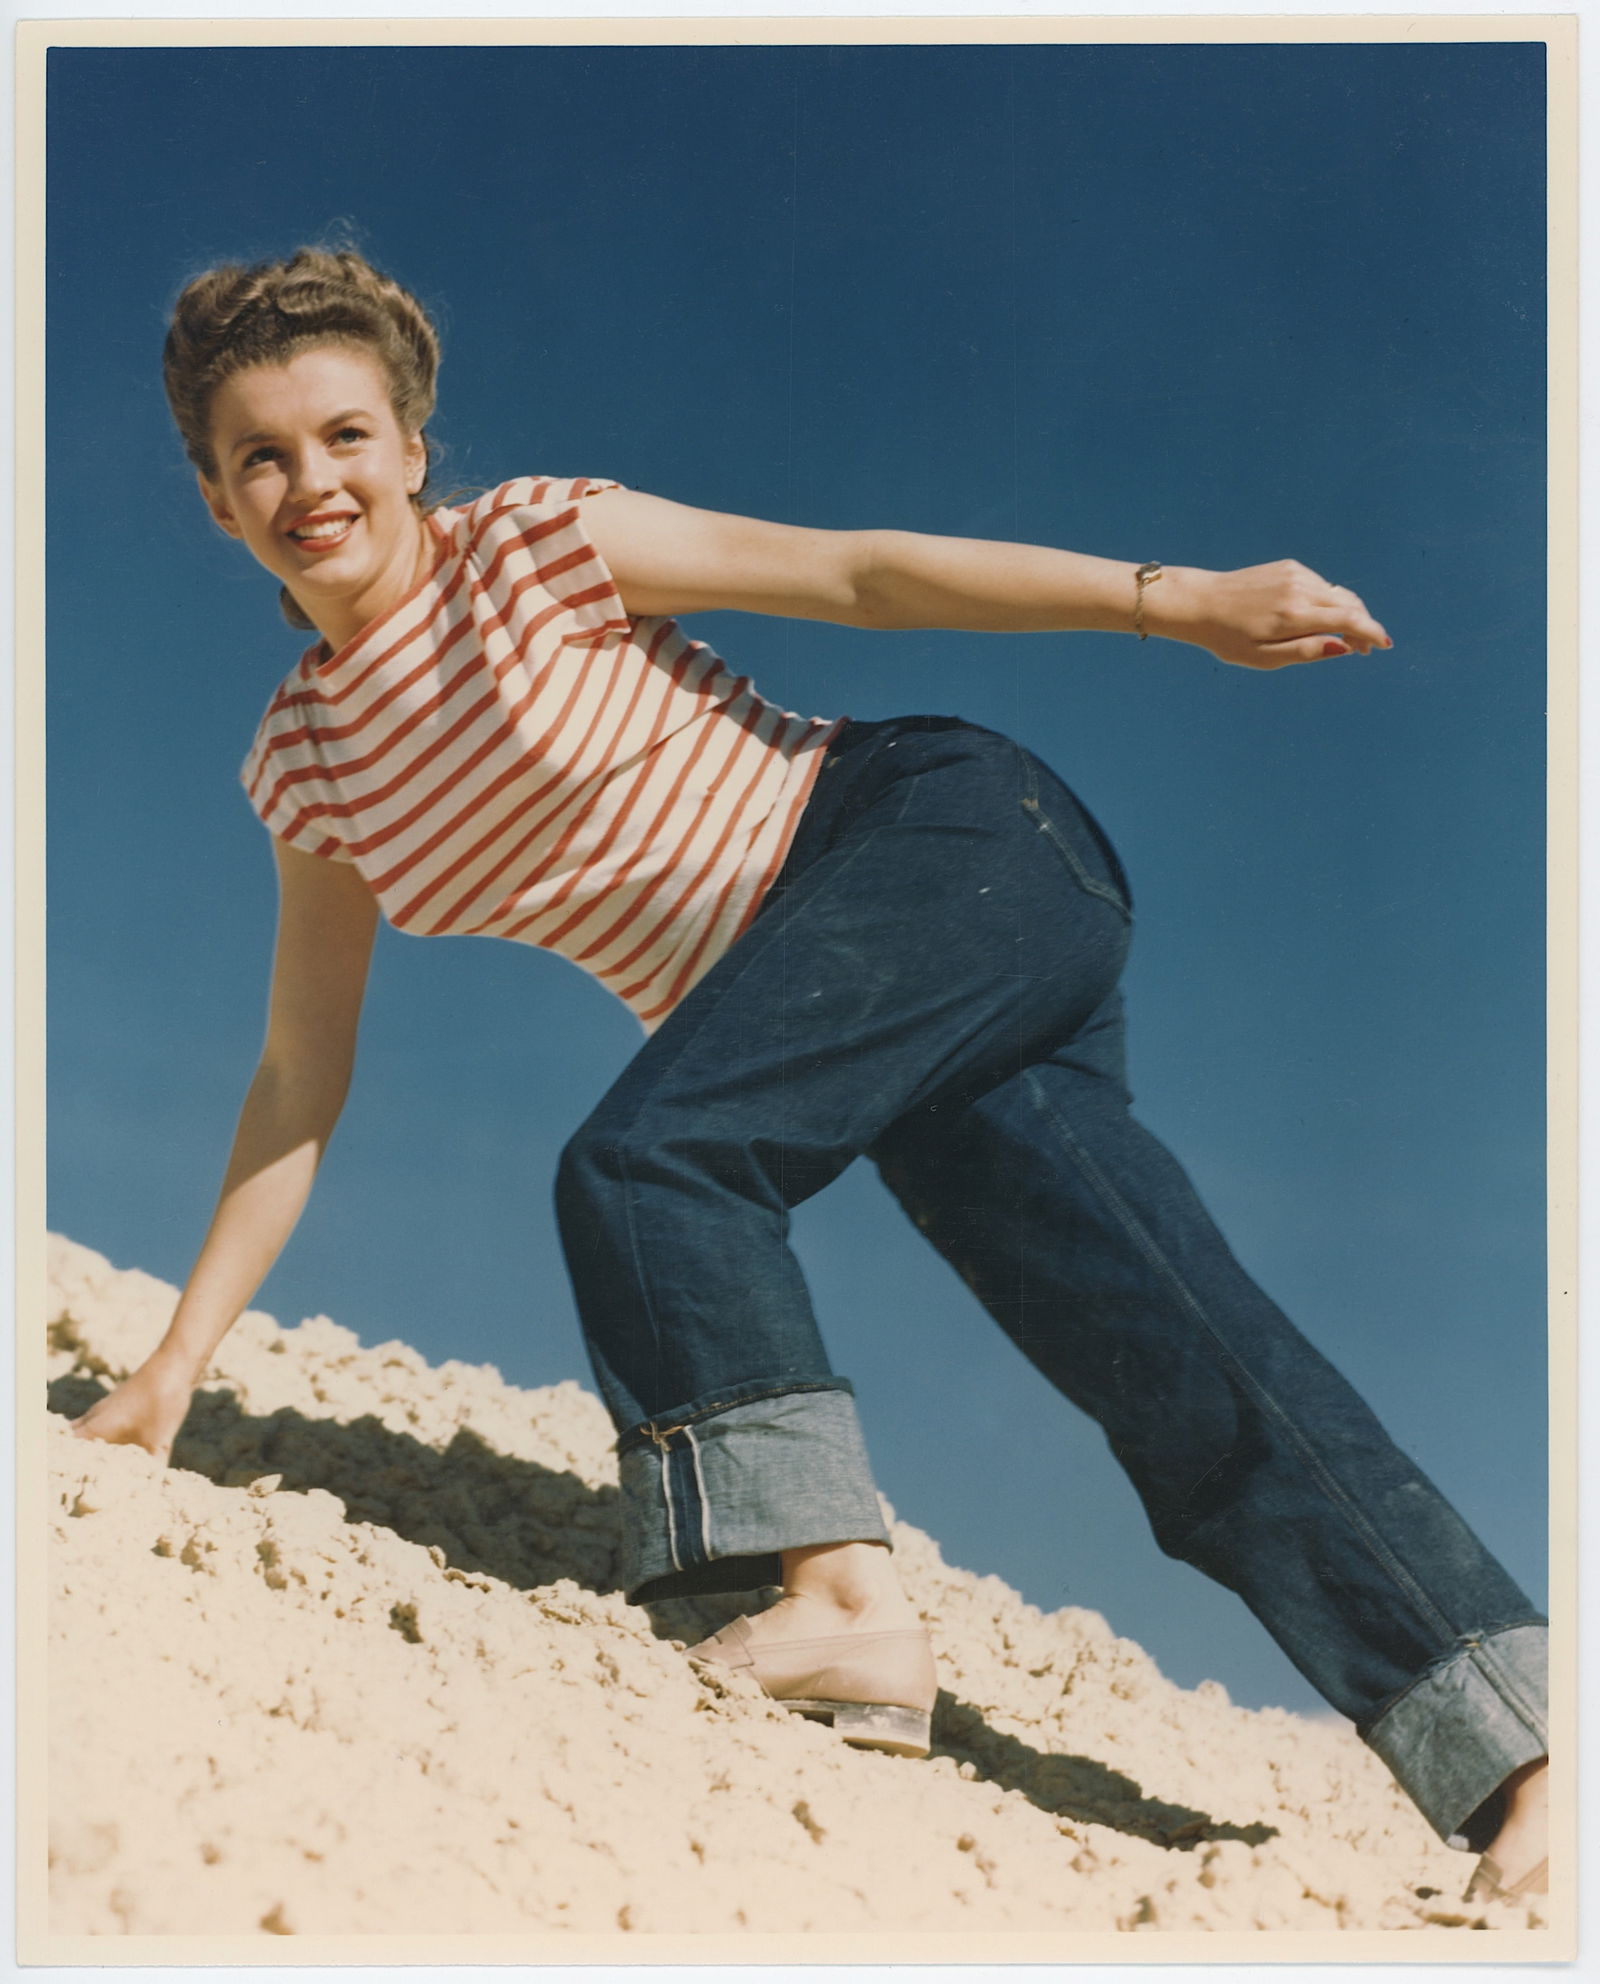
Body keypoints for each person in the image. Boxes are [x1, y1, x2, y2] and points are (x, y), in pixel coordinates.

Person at [71, 247, 1547, 1902]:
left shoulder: (540, 543)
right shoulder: (311, 763)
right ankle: (1532, 1765)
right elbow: (296, 1073)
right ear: (214, 499)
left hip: (938, 846)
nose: (309, 482)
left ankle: (836, 1596)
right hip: (863, 1022)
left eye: (344, 436)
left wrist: (1173, 597)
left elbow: (850, 572)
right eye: (258, 456)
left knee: (648, 1162)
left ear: (414, 447)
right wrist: (176, 1367)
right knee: (1166, 1345)